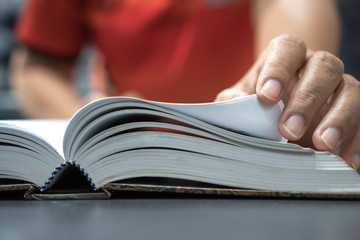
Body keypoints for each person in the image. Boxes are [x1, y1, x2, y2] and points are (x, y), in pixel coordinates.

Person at [11, 0, 360, 169]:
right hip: (127, 160)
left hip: (246, 157)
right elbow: (36, 68)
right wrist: (93, 124)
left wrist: (294, 79)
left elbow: (295, 9)